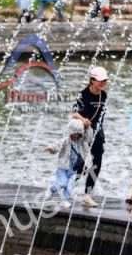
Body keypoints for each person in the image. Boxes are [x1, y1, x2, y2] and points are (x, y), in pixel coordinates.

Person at [71, 65, 109, 208]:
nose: (103, 83)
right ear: (92, 80)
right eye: (100, 81)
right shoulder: (83, 95)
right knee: (80, 164)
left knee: (98, 161)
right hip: (83, 131)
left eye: (104, 81)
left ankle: (88, 195)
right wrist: (83, 119)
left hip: (97, 132)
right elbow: (73, 113)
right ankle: (68, 188)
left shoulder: (103, 95)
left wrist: (98, 131)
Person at [45, 119, 93, 209]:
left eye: (79, 134)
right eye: (75, 133)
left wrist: (88, 127)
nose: (76, 136)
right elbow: (57, 145)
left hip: (74, 169)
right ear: (71, 132)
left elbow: (89, 137)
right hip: (63, 168)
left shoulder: (82, 142)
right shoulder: (65, 141)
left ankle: (64, 200)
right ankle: (51, 188)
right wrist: (51, 148)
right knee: (62, 183)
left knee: (69, 187)